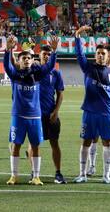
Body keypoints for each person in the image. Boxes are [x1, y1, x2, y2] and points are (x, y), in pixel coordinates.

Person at [4, 33, 59, 185]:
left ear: (32, 60)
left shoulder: (38, 75)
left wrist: (54, 52)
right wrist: (8, 51)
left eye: (29, 58)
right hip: (18, 116)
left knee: (35, 147)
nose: (27, 60)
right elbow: (6, 65)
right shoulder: (14, 75)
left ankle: (36, 176)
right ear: (19, 61)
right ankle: (14, 175)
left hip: (35, 116)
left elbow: (49, 66)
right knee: (16, 146)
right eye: (23, 58)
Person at [72, 25, 110, 184]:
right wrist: (78, 36)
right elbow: (79, 54)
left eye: (103, 53)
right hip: (89, 112)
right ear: (95, 55)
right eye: (98, 53)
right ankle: (82, 174)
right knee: (86, 142)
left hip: (106, 114)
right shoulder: (88, 68)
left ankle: (106, 175)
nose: (100, 55)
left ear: (107, 57)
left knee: (107, 143)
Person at [38, 41, 67, 184]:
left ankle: (58, 173)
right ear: (39, 55)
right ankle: (34, 173)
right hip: (35, 115)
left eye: (50, 54)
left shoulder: (56, 73)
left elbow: (60, 94)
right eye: (45, 54)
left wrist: (56, 111)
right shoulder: (34, 70)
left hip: (50, 114)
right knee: (34, 144)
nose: (47, 56)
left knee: (54, 143)